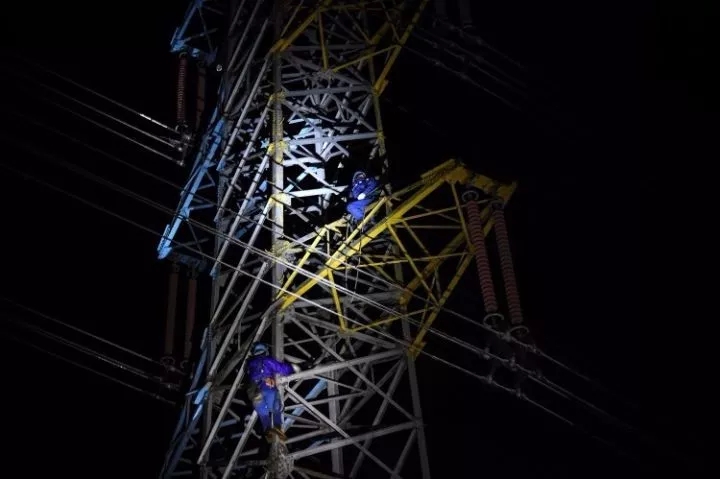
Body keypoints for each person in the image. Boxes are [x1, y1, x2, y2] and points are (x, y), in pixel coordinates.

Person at [246, 342, 300, 441]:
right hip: (266, 386)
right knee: (276, 407)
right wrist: (292, 368)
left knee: (263, 412)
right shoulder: (266, 360)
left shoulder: (250, 363)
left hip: (253, 391)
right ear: (265, 351)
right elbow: (282, 368)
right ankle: (277, 427)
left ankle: (267, 430)